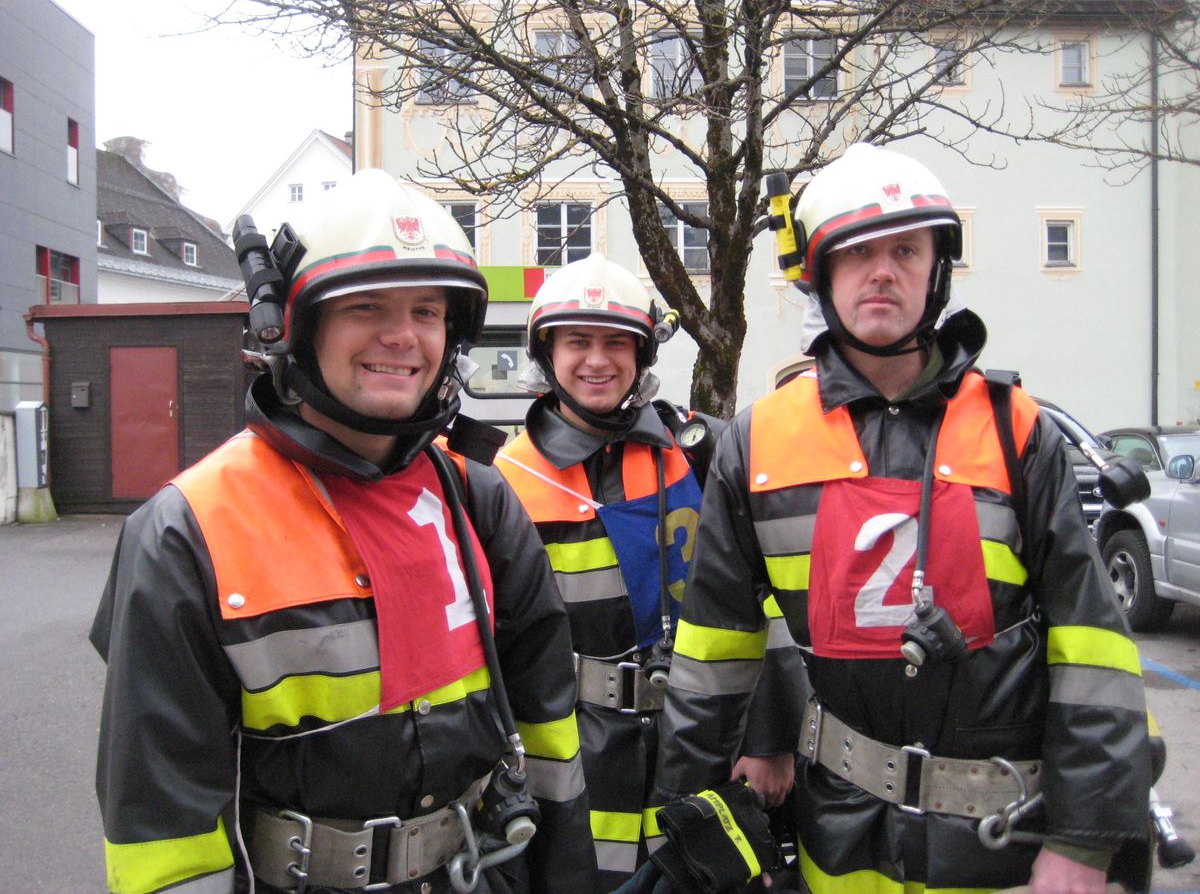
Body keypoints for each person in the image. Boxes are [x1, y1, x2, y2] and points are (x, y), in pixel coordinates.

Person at [653, 143, 1152, 893]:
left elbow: (1092, 648)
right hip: (838, 839)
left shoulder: (1016, 431)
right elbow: (713, 648)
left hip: (1005, 843)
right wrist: (693, 816)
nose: (882, 271)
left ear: (936, 272)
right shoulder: (758, 441)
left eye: (905, 251)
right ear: (821, 276)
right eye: (856, 255)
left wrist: (1085, 839)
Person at [90, 170, 596, 894]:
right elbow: (164, 834)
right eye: (365, 306)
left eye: (427, 310)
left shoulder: (480, 501)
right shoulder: (186, 532)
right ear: (294, 328)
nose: (403, 336)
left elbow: (548, 737)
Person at [494, 254, 803, 891]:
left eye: (616, 342)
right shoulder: (505, 479)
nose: (597, 361)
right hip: (577, 748)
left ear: (642, 353)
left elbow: (762, 602)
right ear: (546, 352)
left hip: (706, 738)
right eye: (577, 341)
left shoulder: (705, 451)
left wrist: (770, 738)